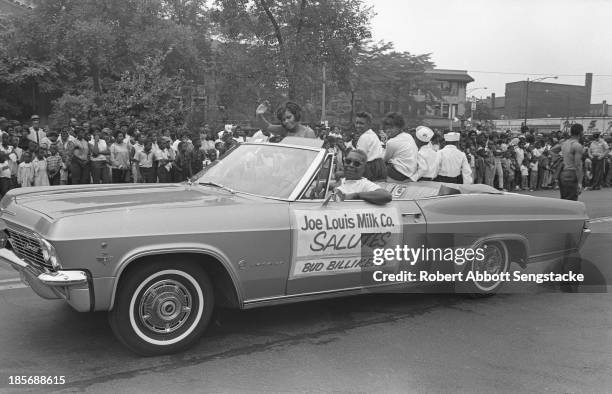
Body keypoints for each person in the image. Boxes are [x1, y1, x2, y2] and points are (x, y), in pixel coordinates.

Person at [382, 112, 419, 182]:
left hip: (399, 173)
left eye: (391, 128)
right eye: (386, 128)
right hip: (411, 172)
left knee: (375, 166)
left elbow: (384, 160)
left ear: (400, 127)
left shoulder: (391, 142)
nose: (388, 131)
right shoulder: (408, 136)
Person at [551, 123, 584, 200]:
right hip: (571, 173)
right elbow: (577, 165)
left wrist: (560, 158)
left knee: (564, 199)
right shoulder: (577, 145)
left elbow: (552, 150)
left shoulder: (564, 143)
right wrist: (580, 182)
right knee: (572, 200)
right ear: (580, 133)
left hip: (563, 173)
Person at [353, 111, 386, 181]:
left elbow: (358, 159)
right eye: (357, 123)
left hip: (371, 169)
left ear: (369, 124)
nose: (358, 125)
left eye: (361, 123)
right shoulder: (372, 134)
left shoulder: (365, 137)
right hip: (378, 169)